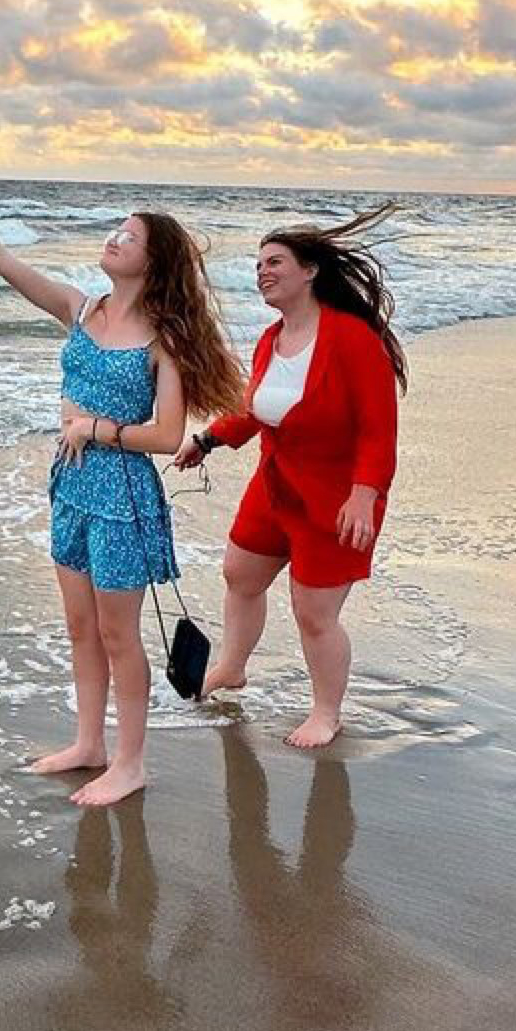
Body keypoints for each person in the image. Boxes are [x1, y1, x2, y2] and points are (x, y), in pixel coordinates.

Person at [0, 170, 245, 806]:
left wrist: (95, 429)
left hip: (123, 497)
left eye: (129, 236)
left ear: (152, 262)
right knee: (80, 627)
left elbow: (166, 435)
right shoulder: (81, 309)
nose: (114, 239)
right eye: (115, 230)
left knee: (118, 634)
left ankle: (130, 763)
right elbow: (8, 266)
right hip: (70, 487)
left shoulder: (163, 341)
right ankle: (88, 745)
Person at [175, 207, 405, 749]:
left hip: (337, 497)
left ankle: (326, 713)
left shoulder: (352, 339)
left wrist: (364, 496)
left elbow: (378, 431)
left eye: (275, 262)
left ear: (310, 271)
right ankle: (232, 667)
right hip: (276, 485)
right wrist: (208, 440)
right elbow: (256, 408)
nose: (263, 272)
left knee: (314, 613)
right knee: (240, 573)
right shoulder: (271, 339)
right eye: (258, 265)